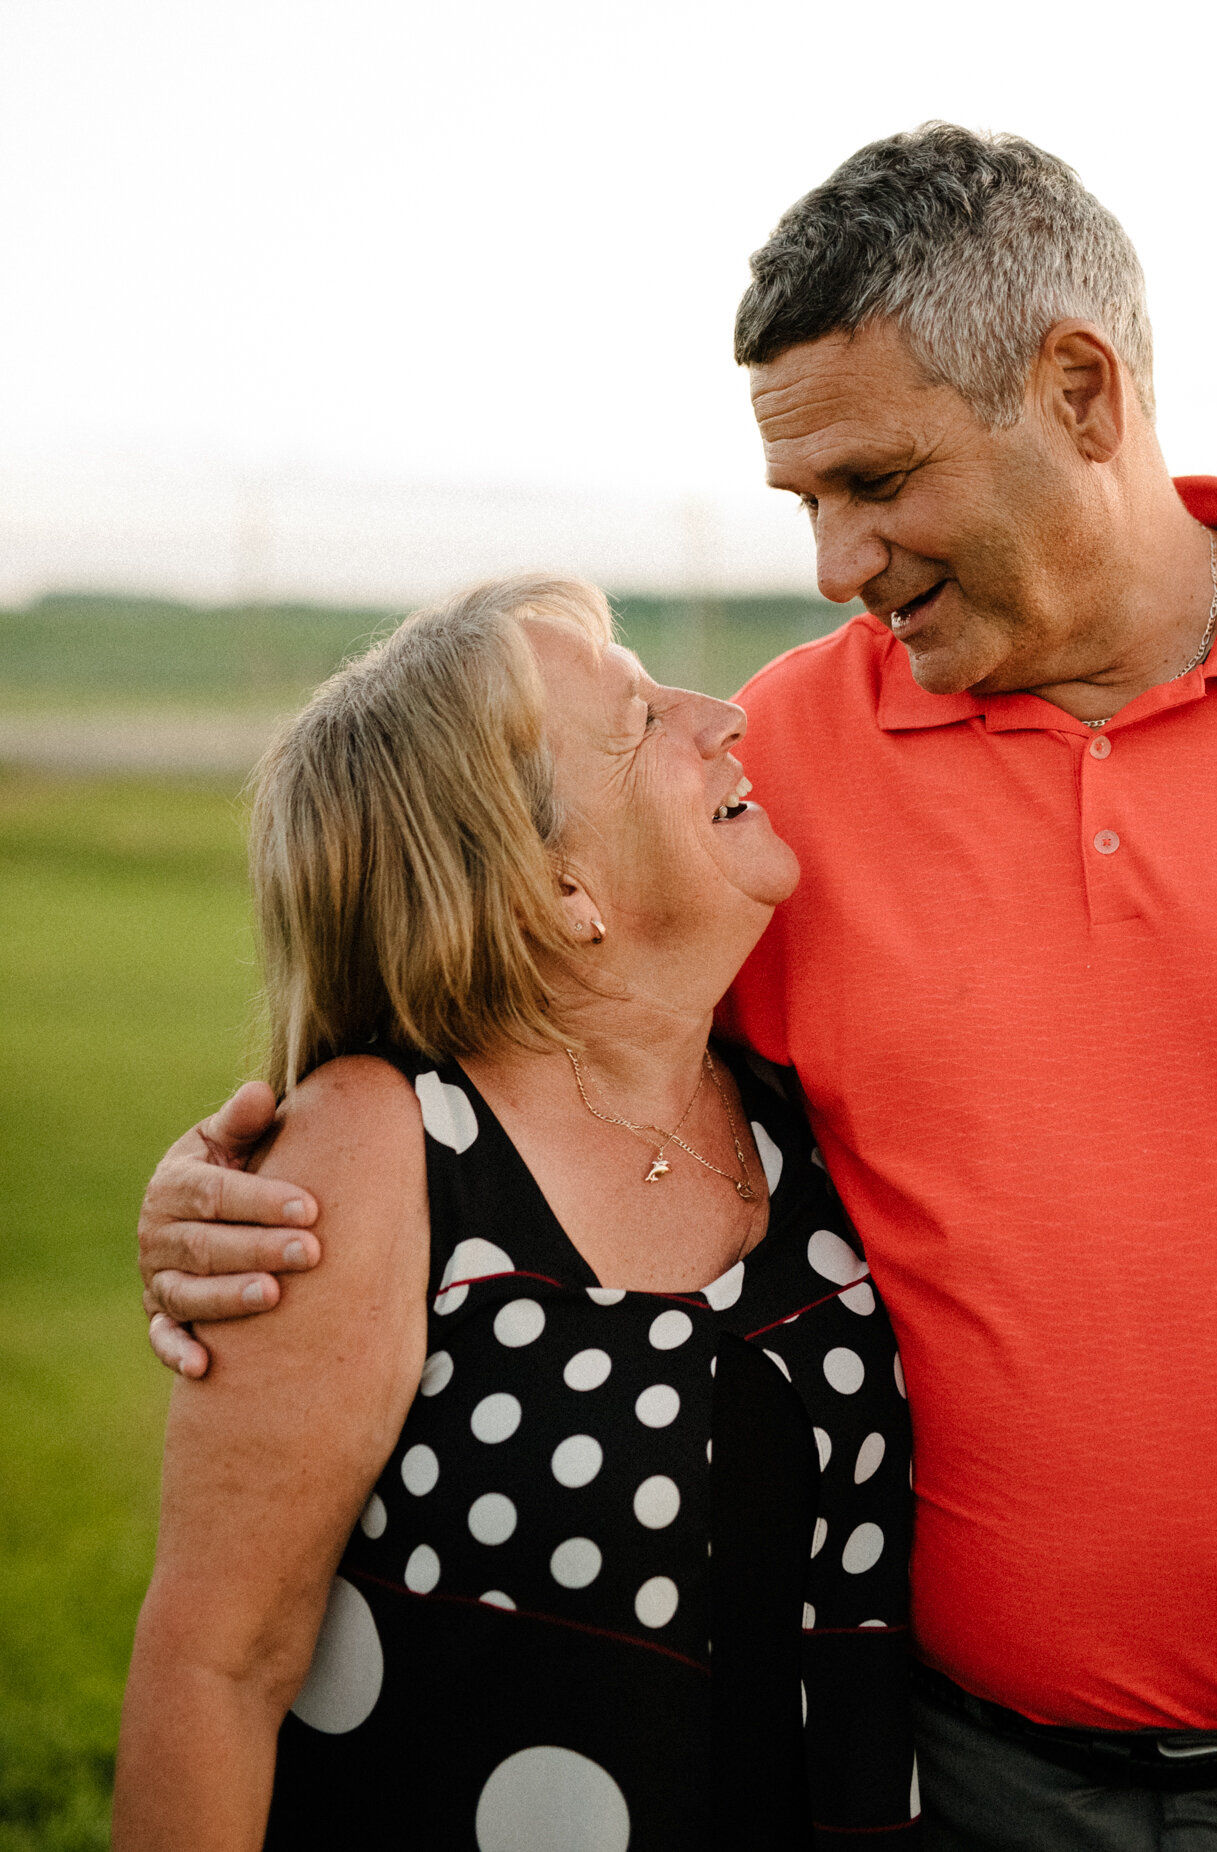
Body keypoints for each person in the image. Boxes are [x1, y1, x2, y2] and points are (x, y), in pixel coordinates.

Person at [138, 124, 1217, 1850]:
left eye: (875, 483)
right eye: (804, 502)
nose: (833, 567)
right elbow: (519, 1042)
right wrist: (244, 1194)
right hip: (949, 1785)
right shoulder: (779, 769)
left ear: (1082, 394)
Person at [115, 575, 917, 1851]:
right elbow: (216, 1670)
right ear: (557, 892)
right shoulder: (374, 1150)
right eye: (641, 719)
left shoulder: (792, 1099)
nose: (723, 716)